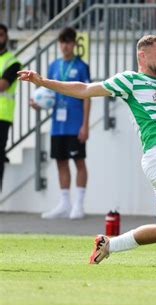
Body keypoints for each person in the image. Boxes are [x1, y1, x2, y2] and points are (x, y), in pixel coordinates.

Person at [18, 34, 156, 268]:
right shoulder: (130, 80)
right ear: (142, 55)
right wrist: (43, 82)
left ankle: (108, 245)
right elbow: (84, 89)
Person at [30, 27, 91, 220]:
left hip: (75, 122)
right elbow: (48, 93)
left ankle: (79, 205)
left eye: (69, 42)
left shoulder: (82, 66)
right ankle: (65, 203)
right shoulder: (53, 66)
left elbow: (88, 97)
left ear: (75, 44)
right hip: (58, 124)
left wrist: (85, 125)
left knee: (79, 162)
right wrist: (38, 103)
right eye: (62, 42)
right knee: (60, 162)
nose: (65, 46)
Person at [0, 24, 21, 193]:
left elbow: (3, 85)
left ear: (6, 37)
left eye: (1, 35)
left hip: (2, 116)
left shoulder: (13, 62)